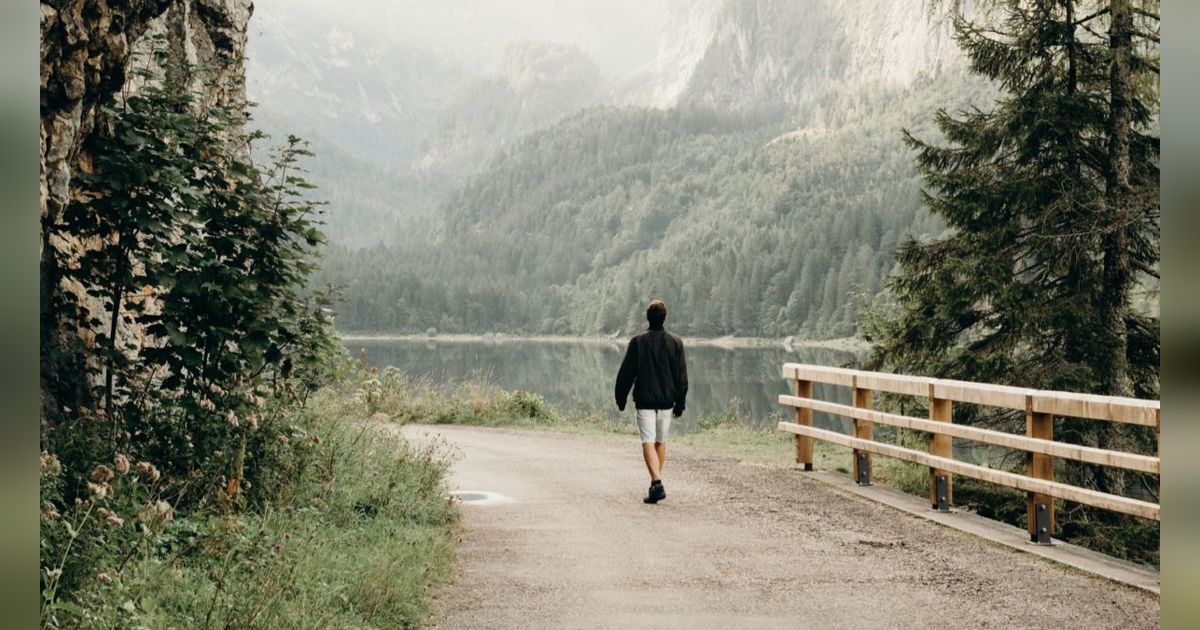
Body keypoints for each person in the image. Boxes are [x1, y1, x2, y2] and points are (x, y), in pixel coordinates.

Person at [614, 299, 688, 504]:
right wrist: (680, 403)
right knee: (660, 441)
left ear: (648, 318)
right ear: (665, 317)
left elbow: (626, 374)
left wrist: (620, 398)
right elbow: (681, 376)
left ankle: (657, 482)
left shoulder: (638, 342)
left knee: (647, 440)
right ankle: (656, 483)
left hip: (645, 400)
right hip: (667, 401)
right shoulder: (676, 342)